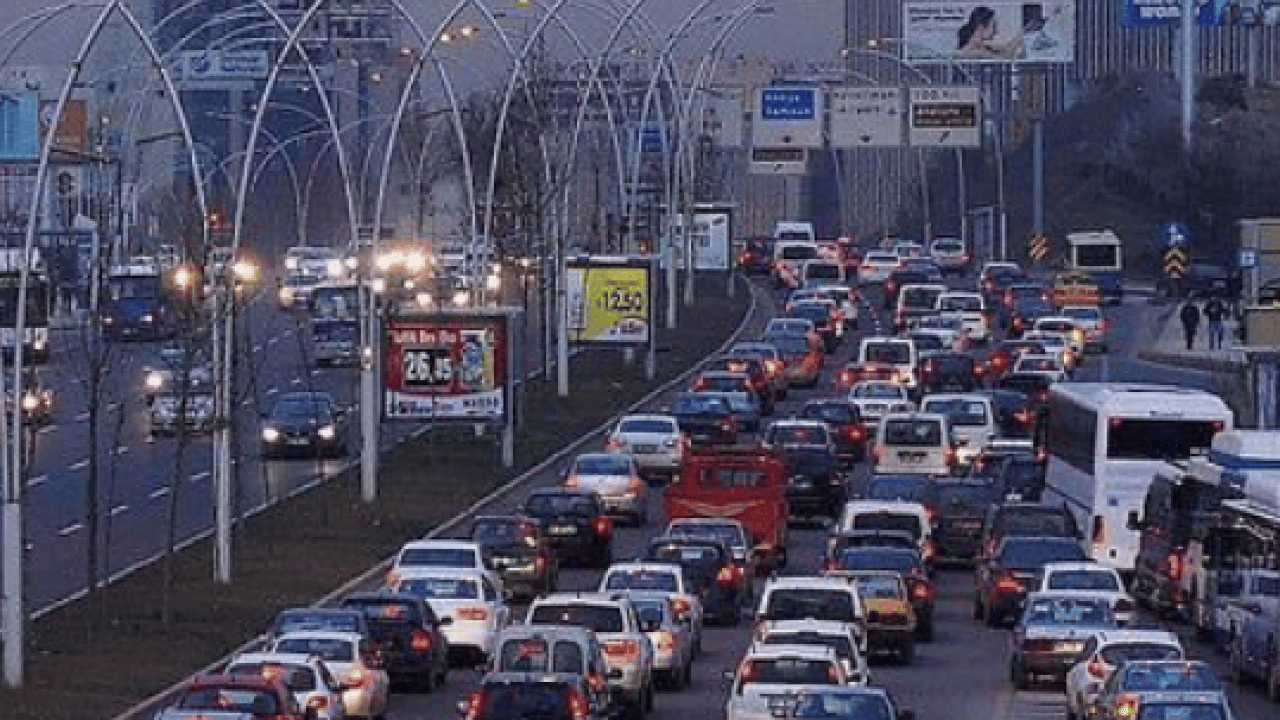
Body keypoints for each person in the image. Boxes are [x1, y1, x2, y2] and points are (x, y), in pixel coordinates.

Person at [956, 6, 1025, 59]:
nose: (996, 30)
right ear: (981, 27)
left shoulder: (985, 44)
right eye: (993, 26)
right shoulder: (975, 47)